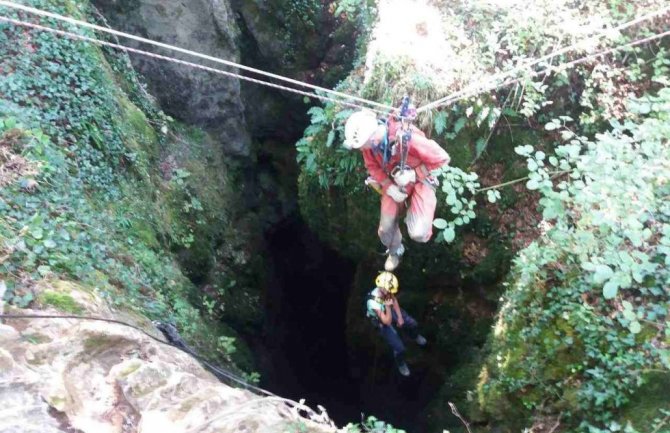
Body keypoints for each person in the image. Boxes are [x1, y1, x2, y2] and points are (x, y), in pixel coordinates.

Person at [343, 107, 450, 271]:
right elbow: (372, 168)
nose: (362, 150)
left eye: (362, 146)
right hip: (395, 183)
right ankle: (395, 251)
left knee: (419, 233)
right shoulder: (371, 147)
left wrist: (414, 174)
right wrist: (389, 186)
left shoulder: (406, 137)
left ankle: (411, 212)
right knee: (385, 230)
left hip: (421, 180)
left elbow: (443, 158)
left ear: (371, 138)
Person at [366, 271, 426, 377]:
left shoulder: (386, 290)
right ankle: (401, 363)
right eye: (389, 291)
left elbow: (394, 301)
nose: (390, 292)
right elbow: (386, 321)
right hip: (381, 319)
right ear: (382, 288)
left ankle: (414, 336)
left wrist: (399, 317)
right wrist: (388, 307)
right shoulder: (372, 302)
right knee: (399, 348)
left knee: (412, 323)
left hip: (387, 308)